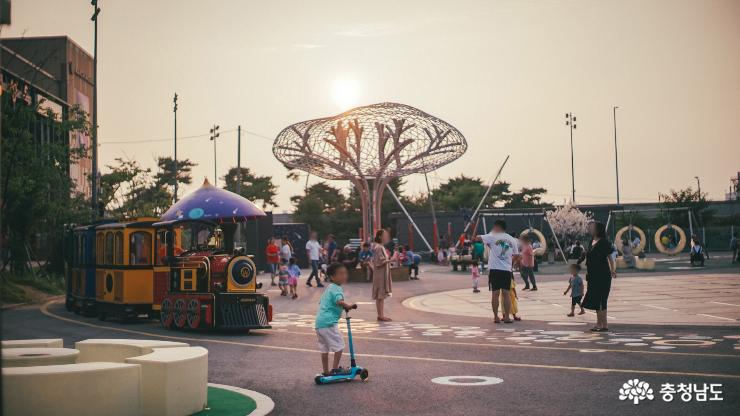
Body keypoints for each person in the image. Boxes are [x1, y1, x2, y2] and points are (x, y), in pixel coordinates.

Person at [314, 263, 356, 376]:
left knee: (324, 348)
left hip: (319, 324)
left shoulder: (329, 288)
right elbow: (339, 301)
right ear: (332, 277)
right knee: (339, 345)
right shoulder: (337, 288)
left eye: (345, 273)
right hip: (328, 323)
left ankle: (326, 371)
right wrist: (347, 306)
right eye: (341, 274)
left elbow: (324, 302)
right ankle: (335, 369)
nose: (344, 276)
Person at [578, 221, 616, 332]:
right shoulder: (591, 242)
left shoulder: (603, 242)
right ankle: (601, 324)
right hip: (592, 276)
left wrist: (613, 270)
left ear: (597, 229)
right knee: (596, 299)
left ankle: (602, 324)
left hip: (603, 274)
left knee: (601, 299)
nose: (589, 228)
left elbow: (610, 257)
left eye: (592, 227)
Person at [480, 220, 520, 324]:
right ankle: (507, 317)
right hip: (506, 270)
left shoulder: (492, 236)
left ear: (497, 227)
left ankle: (496, 317)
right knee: (506, 293)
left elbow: (477, 238)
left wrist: (490, 244)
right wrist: (510, 264)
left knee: (495, 294)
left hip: (494, 269)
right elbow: (516, 254)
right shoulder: (512, 239)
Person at [371, 229, 393, 322]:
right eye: (385, 235)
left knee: (381, 296)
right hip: (380, 275)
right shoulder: (379, 247)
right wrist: (392, 259)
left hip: (381, 274)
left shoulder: (380, 247)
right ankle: (380, 315)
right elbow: (379, 262)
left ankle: (381, 315)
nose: (386, 237)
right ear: (380, 236)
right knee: (380, 295)